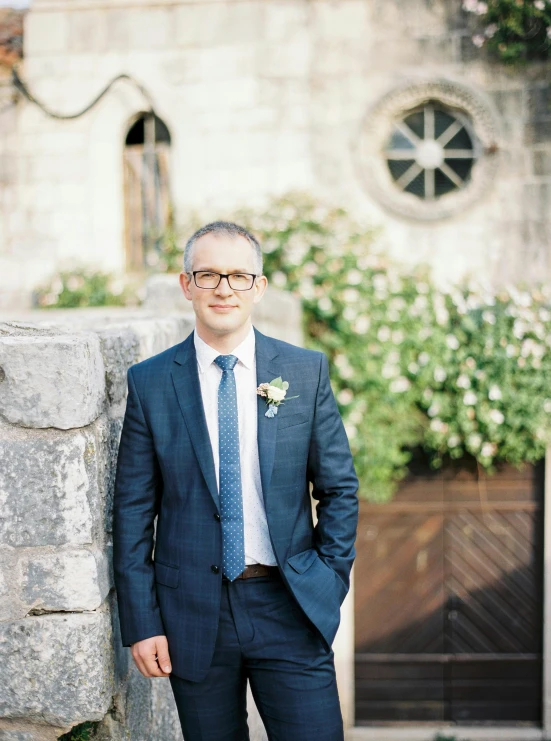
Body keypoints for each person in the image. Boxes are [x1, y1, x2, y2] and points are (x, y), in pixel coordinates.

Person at [113, 221, 359, 741]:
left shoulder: (304, 370)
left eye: (239, 276)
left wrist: (328, 581)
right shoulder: (151, 381)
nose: (224, 288)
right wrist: (143, 622)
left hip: (288, 603)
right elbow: (133, 511)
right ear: (186, 285)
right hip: (191, 615)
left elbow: (338, 488)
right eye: (208, 275)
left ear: (259, 287)